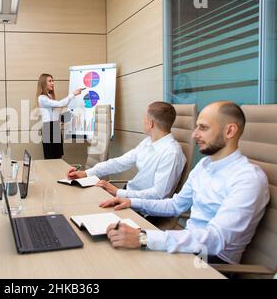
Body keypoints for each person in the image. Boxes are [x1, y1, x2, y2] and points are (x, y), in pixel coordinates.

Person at [100, 101, 269, 264]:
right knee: (112, 254)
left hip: (211, 259)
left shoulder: (248, 179)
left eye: (203, 128)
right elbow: (176, 205)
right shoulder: (204, 165)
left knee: (125, 263)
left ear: (230, 131)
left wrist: (143, 237)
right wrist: (130, 201)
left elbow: (215, 240)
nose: (194, 134)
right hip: (189, 244)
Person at [67, 101, 186, 200]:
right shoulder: (148, 142)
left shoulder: (171, 153)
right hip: (128, 194)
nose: (142, 121)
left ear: (150, 123)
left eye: (144, 118)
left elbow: (158, 195)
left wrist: (118, 192)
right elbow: (120, 162)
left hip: (144, 209)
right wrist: (86, 173)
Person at [37, 73, 83, 159]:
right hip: (49, 129)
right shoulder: (42, 98)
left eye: (52, 81)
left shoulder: (50, 96)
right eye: (50, 81)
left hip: (54, 127)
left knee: (58, 156)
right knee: (51, 158)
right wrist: (73, 94)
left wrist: (61, 120)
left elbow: (55, 112)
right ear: (43, 83)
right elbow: (60, 104)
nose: (53, 83)